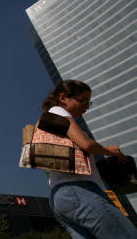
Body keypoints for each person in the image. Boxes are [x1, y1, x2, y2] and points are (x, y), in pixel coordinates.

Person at [43, 80, 137, 238]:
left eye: (89, 102)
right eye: (83, 100)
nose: (87, 106)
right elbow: (86, 145)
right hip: (80, 190)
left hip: (59, 198)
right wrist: (110, 151)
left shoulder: (48, 120)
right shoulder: (58, 112)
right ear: (63, 98)